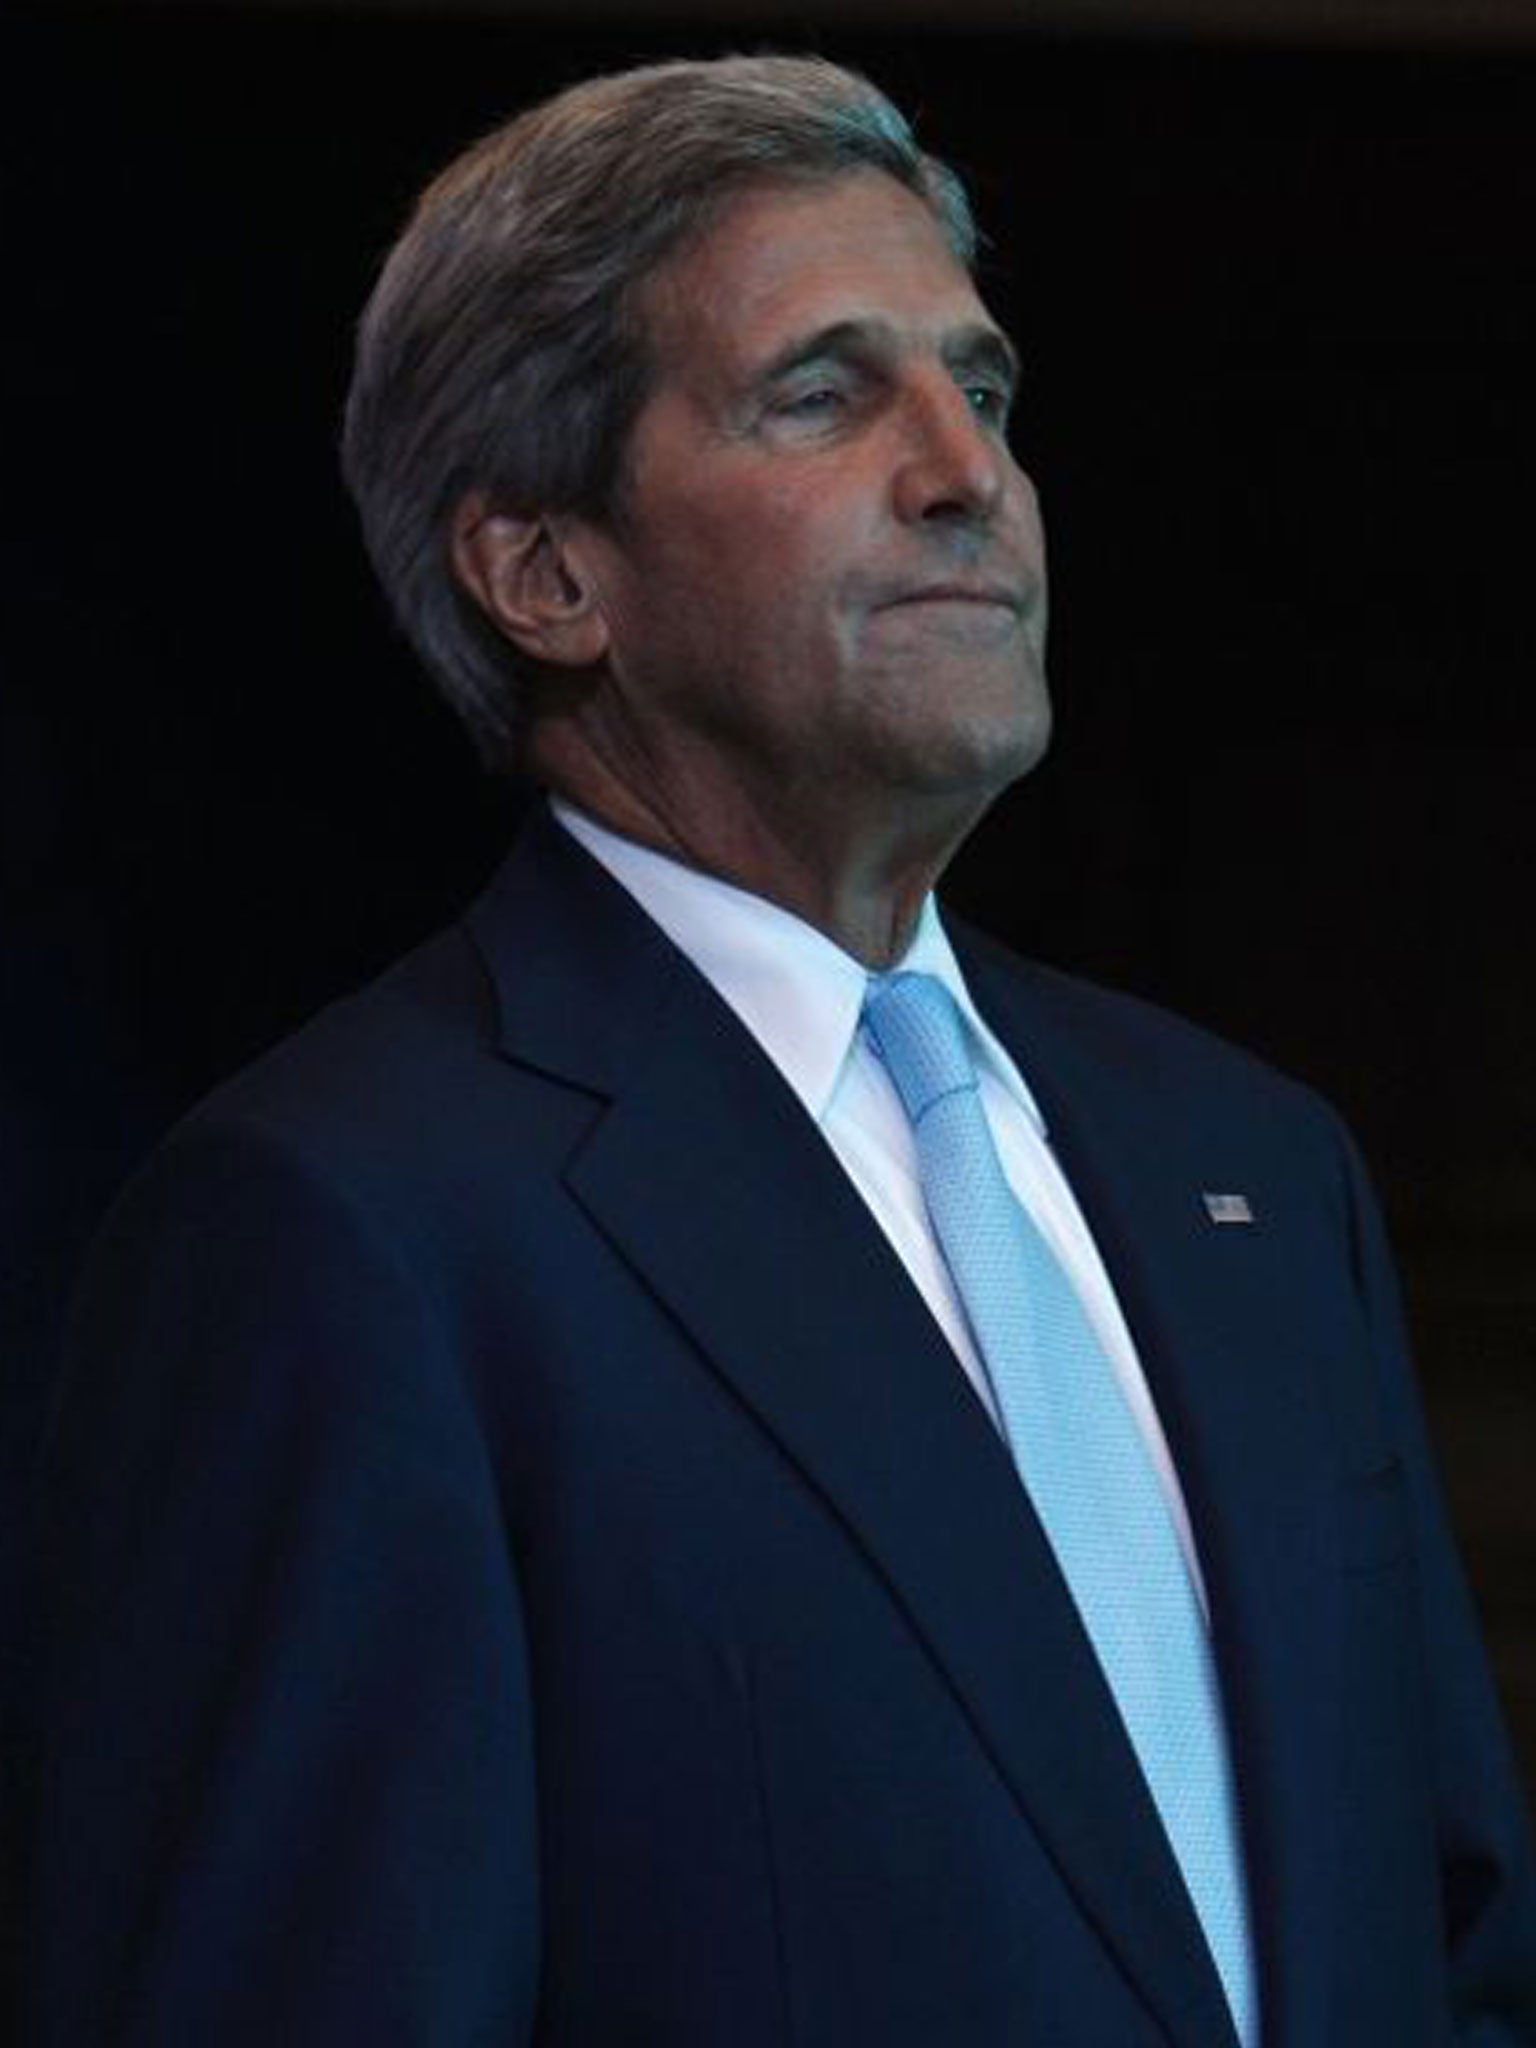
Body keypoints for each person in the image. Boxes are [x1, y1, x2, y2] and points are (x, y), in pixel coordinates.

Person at [17, 54, 1536, 2047]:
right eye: (824, 393)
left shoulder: (1250, 1161)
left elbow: (1449, 1943)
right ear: (545, 571)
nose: (963, 468)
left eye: (981, 390)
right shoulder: (341, 1230)